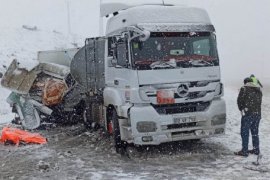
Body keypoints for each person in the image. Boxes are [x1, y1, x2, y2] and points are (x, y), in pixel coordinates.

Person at [234, 77, 262, 157]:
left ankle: (244, 151)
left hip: (248, 113)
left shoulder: (244, 89)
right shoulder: (258, 90)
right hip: (257, 114)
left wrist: (242, 109)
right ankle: (256, 150)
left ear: (245, 82)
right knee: (255, 133)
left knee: (244, 132)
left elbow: (239, 101)